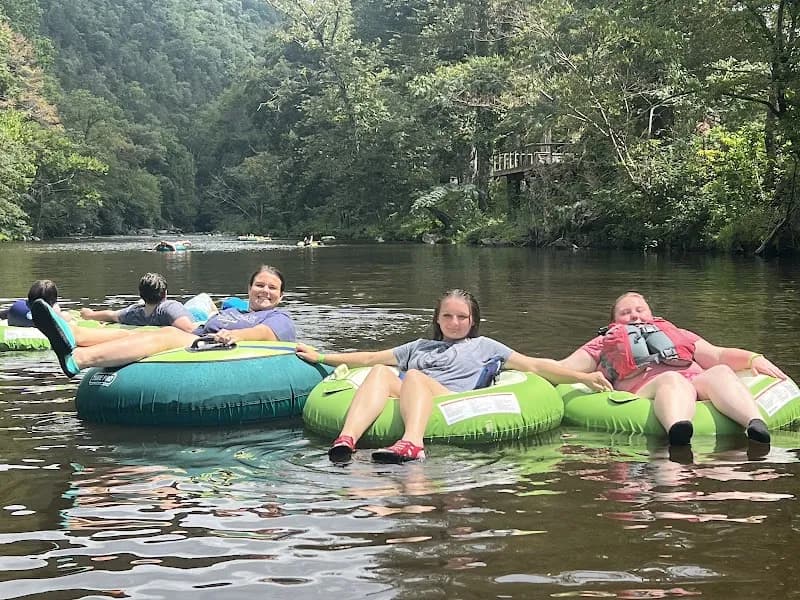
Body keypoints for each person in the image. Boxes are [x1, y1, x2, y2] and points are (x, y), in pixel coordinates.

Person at [295, 288, 612, 464]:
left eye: (462, 317)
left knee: (415, 377)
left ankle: (413, 443)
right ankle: (346, 440)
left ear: (472, 321)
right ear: (437, 318)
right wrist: (321, 356)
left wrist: (582, 378)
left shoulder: (484, 346)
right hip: (410, 393)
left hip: (450, 400)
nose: (454, 322)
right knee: (378, 371)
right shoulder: (420, 346)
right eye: (447, 315)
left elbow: (533, 365)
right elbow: (368, 357)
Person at [556, 291, 785, 447]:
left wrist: (753, 358)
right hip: (647, 388)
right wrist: (528, 369)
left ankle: (755, 424)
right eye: (625, 313)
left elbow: (717, 355)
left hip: (695, 381)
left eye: (640, 310)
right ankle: (678, 430)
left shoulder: (678, 333)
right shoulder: (603, 342)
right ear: (614, 321)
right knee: (672, 380)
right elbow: (565, 368)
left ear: (651, 314)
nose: (635, 315)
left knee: (721, 372)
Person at [30, 265, 296, 378]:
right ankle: (72, 334)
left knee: (167, 333)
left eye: (272, 288)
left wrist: (238, 336)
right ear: (249, 288)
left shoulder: (278, 317)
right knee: (134, 334)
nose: (265, 291)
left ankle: (78, 360)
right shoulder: (236, 311)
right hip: (200, 337)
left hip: (215, 348)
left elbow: (264, 333)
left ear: (280, 295)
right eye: (259, 285)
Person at [79, 272, 196, 332]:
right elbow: (188, 330)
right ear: (165, 293)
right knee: (204, 297)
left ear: (141, 295)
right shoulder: (169, 307)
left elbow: (111, 315)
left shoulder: (134, 313)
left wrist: (89, 314)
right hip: (195, 313)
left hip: (146, 309)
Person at [1, 280, 69, 327]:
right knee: (67, 315)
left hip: (17, 322)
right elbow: (62, 323)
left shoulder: (17, 307)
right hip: (41, 326)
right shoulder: (47, 315)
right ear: (51, 301)